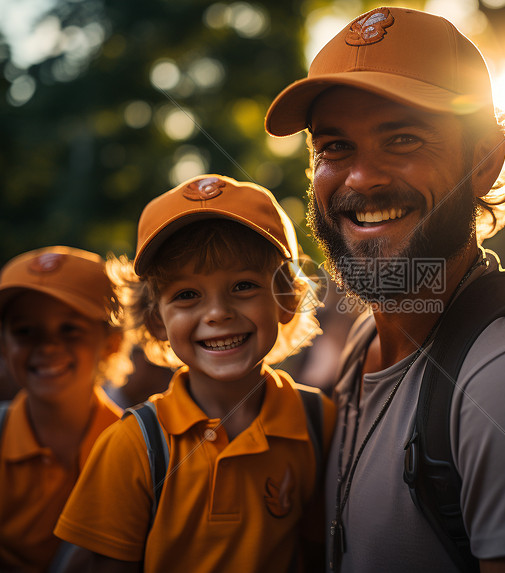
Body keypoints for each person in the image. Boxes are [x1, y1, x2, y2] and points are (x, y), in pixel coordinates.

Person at [265, 6, 505, 572]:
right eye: (334, 147)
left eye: (401, 138)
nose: (360, 177)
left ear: (482, 160)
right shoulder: (362, 349)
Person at [54, 174, 336, 572]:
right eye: (187, 295)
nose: (218, 313)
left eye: (243, 285)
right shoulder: (133, 446)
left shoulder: (319, 422)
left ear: (286, 299)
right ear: (155, 320)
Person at [0, 246, 131, 572]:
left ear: (112, 341)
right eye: (24, 331)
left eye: (70, 329)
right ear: (3, 344)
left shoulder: (136, 447)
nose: (48, 346)